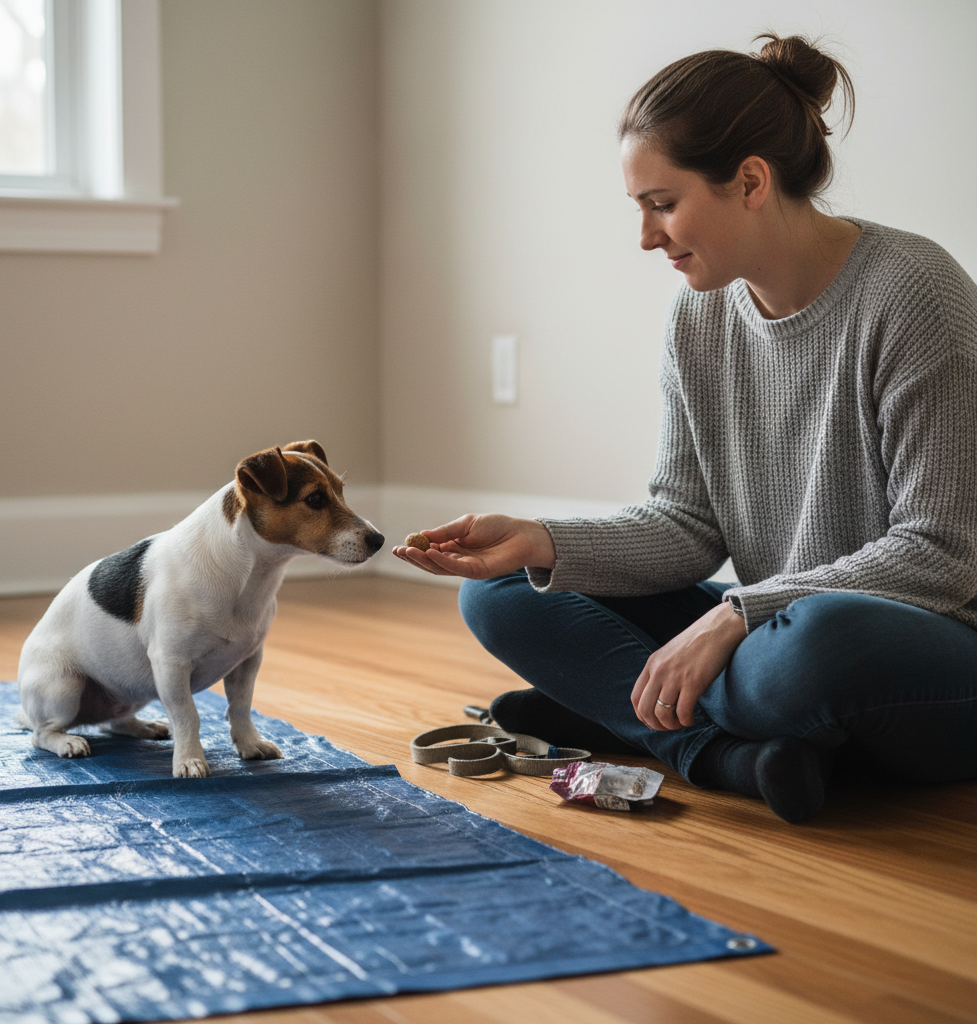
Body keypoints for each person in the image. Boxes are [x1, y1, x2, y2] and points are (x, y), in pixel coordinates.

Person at [392, 34, 977, 823]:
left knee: (815, 646)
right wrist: (542, 541)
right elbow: (688, 524)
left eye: (662, 205)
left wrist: (739, 615)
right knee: (500, 594)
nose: (646, 237)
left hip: (914, 647)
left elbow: (942, 552)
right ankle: (718, 753)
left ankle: (622, 712)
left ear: (750, 182)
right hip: (777, 625)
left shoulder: (916, 294)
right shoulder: (700, 319)